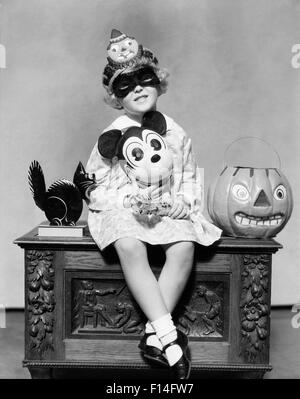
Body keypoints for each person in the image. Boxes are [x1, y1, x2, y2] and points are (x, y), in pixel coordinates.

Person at [85, 29, 222, 379]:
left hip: (164, 207)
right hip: (124, 208)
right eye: (126, 87)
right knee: (129, 244)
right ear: (117, 97)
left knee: (184, 245)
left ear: (158, 82)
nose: (139, 90)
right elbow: (93, 181)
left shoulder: (174, 131)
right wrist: (123, 200)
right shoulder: (113, 132)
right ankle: (170, 337)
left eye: (145, 81)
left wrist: (183, 202)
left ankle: (153, 335)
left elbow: (190, 176)